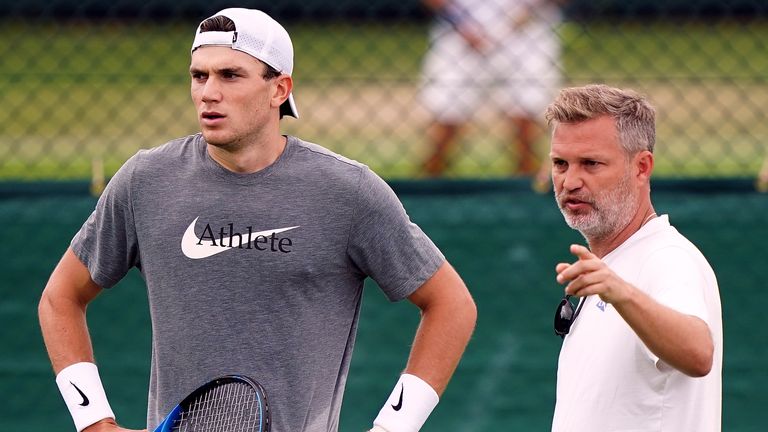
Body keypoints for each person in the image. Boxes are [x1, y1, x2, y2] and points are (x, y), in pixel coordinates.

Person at [38, 8, 477, 432]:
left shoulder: (348, 191)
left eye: (230, 75)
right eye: (199, 75)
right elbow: (60, 298)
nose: (209, 92)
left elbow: (451, 305)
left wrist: (394, 427)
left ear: (279, 89)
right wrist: (93, 420)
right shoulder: (145, 181)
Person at [544, 84, 723, 431]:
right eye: (560, 163)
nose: (570, 181)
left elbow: (699, 353)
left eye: (591, 163)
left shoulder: (668, 258)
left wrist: (620, 292)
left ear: (642, 167)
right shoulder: (611, 268)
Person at [419, 0, 565, 177]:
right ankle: (430, 185)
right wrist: (460, 22)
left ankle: (526, 188)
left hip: (527, 32)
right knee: (446, 117)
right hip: (459, 31)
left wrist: (528, 10)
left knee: (526, 118)